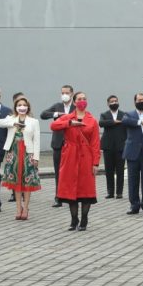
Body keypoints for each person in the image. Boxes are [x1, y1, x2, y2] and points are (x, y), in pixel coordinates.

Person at [51, 92, 100, 230]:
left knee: (86, 188)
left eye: (84, 99)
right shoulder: (68, 117)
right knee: (71, 188)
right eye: (79, 99)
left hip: (86, 156)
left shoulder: (92, 120)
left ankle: (84, 219)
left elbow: (96, 143)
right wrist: (69, 123)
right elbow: (53, 126)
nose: (82, 101)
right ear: (74, 102)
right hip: (70, 156)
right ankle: (74, 220)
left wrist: (95, 163)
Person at [0, 96, 41, 220]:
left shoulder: (33, 121)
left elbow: (37, 140)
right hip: (13, 153)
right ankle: (18, 208)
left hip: (28, 153)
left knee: (27, 181)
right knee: (16, 181)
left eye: (24, 105)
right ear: (15, 107)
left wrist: (36, 157)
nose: (22, 107)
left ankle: (26, 208)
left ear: (28, 107)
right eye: (19, 105)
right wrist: (13, 123)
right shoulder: (11, 119)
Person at [40, 85, 75, 207]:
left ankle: (71, 196)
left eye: (67, 93)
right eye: (62, 93)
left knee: (71, 172)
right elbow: (43, 114)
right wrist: (55, 114)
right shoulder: (57, 106)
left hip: (72, 144)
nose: (64, 95)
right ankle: (58, 197)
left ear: (72, 94)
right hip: (58, 143)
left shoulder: (76, 108)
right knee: (58, 172)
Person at [98, 95, 127, 199]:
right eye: (112, 101)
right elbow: (101, 123)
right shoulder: (104, 114)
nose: (114, 103)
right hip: (108, 146)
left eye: (115, 101)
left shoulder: (124, 114)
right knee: (109, 170)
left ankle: (119, 192)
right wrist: (114, 122)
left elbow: (127, 125)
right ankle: (110, 192)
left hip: (120, 146)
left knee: (120, 170)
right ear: (108, 103)